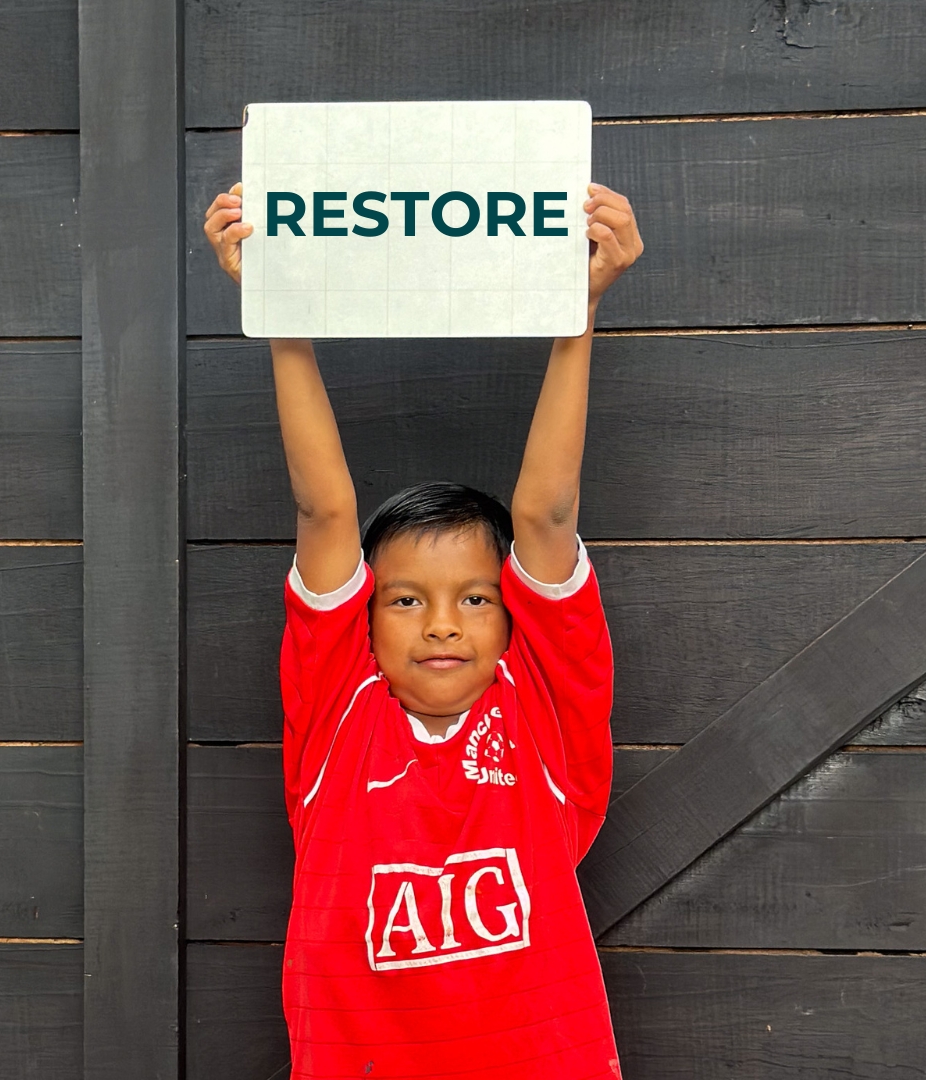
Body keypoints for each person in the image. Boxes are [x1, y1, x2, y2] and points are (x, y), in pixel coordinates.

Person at [204, 181, 643, 1080]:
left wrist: (580, 309)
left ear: (513, 618)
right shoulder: (341, 710)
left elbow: (546, 511)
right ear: (362, 620)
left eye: (476, 598)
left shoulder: (541, 713)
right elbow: (325, 506)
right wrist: (280, 310)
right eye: (406, 599)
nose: (443, 624)